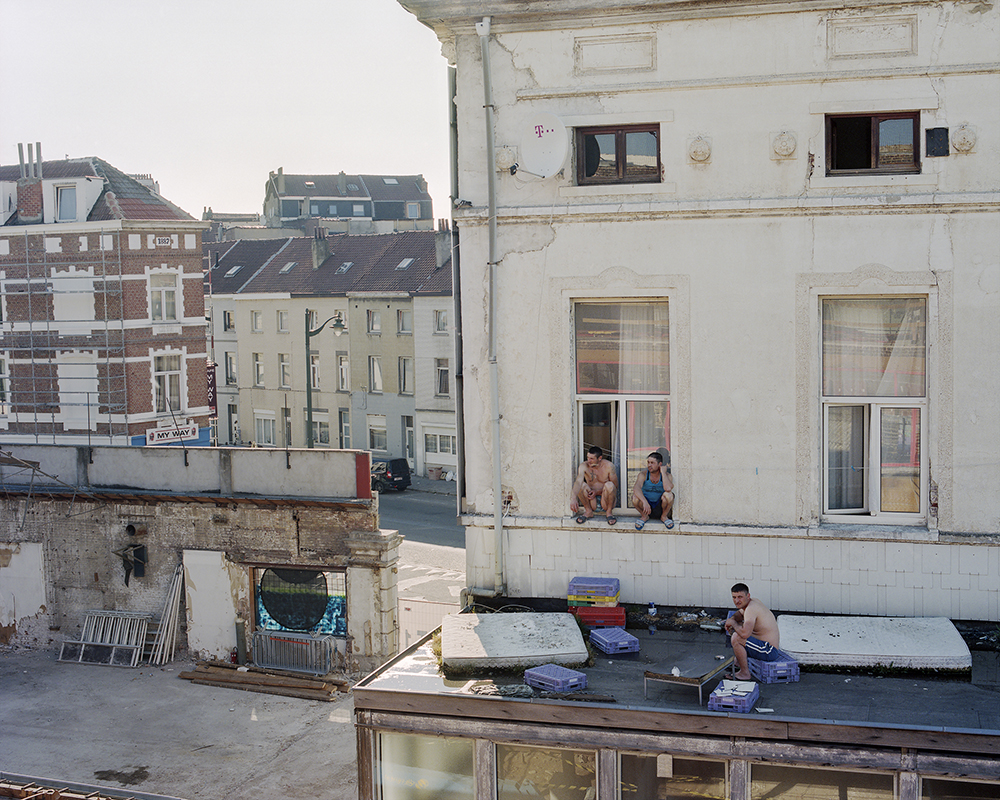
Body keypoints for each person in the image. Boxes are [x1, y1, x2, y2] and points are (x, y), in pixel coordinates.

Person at [724, 582, 781, 680]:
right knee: (739, 628)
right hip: (762, 646)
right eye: (734, 597)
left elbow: (745, 634)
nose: (737, 601)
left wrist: (733, 623)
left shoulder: (751, 609)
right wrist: (733, 619)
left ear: (748, 596)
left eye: (740, 597)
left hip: (769, 651)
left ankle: (744, 673)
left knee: (737, 637)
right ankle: (738, 663)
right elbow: (739, 613)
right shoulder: (752, 602)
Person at [569, 445, 619, 525]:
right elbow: (578, 482)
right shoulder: (584, 466)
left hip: (606, 499)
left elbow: (615, 486)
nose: (589, 460)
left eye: (592, 458)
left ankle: (609, 513)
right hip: (591, 500)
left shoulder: (609, 466)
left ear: (599, 458)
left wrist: (597, 492)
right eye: (588, 457)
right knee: (581, 484)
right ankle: (588, 511)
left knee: (610, 485)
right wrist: (573, 498)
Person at [631, 451, 674, 530]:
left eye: (652, 463)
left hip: (660, 506)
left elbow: (668, 488)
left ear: (660, 464)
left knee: (669, 495)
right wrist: (644, 502)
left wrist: (663, 473)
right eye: (648, 462)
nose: (649, 465)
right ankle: (644, 516)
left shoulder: (667, 475)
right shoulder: (643, 474)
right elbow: (636, 488)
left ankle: (664, 516)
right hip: (646, 507)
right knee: (635, 497)